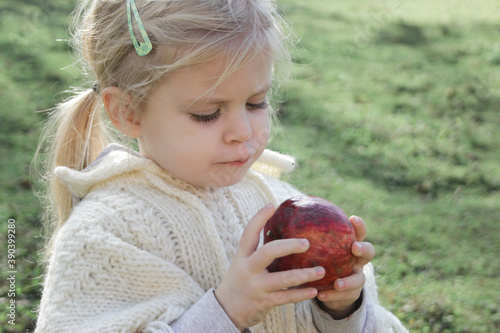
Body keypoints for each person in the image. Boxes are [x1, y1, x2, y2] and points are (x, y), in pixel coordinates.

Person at [34, 0, 409, 332]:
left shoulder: (273, 200)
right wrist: (227, 312)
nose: (243, 132)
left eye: (256, 103)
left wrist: (341, 308)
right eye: (207, 113)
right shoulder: (107, 233)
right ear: (129, 112)